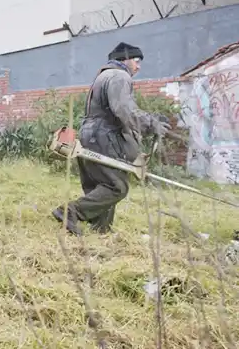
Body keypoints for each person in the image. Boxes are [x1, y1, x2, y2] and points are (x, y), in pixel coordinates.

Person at [52, 42, 168, 235]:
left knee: (100, 184)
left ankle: (101, 229)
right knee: (116, 186)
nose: (139, 66)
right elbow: (124, 110)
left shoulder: (103, 76)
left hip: (91, 133)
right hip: (105, 135)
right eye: (137, 61)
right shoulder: (120, 76)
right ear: (125, 59)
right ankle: (69, 212)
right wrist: (151, 124)